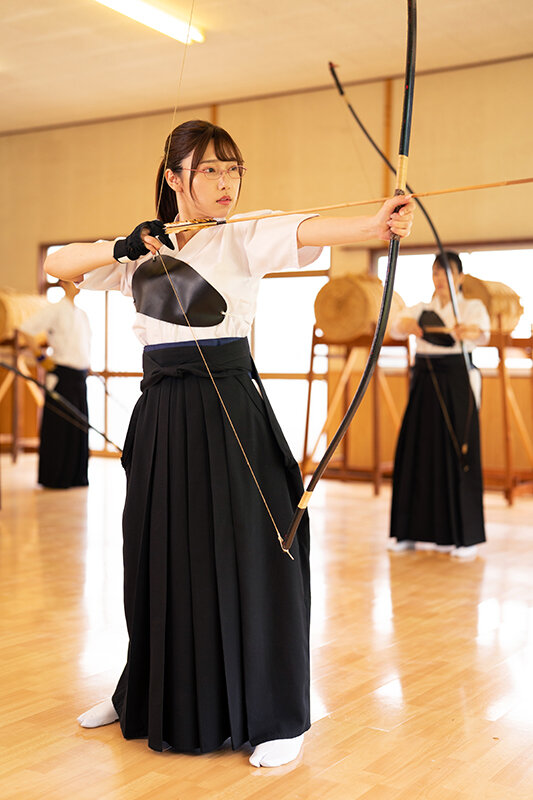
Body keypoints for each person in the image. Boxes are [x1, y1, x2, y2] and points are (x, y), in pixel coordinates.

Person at [45, 119, 415, 767]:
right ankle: (143, 691)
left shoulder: (243, 233)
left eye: (233, 169)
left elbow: (308, 229)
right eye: (210, 169)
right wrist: (122, 245)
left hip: (228, 405)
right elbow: (56, 262)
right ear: (174, 177)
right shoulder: (142, 251)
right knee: (155, 551)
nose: (226, 183)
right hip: (161, 409)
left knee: (254, 550)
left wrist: (374, 224)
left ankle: (276, 714)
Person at [388, 252, 490, 559]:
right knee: (416, 450)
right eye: (435, 273)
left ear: (459, 277)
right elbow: (395, 327)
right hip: (425, 378)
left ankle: (465, 537)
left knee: (458, 453)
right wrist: (406, 324)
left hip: (456, 379)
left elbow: (482, 334)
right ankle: (408, 532)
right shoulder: (423, 308)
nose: (440, 279)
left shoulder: (472, 307)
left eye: (446, 273)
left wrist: (468, 331)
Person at [19, 279, 91, 489]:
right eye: (74, 281)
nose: (78, 284)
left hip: (79, 376)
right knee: (59, 427)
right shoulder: (56, 309)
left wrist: (88, 366)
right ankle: (55, 477)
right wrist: (40, 357)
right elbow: (26, 330)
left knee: (78, 426)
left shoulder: (82, 314)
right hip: (62, 375)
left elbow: (84, 345)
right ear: (63, 284)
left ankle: (76, 476)